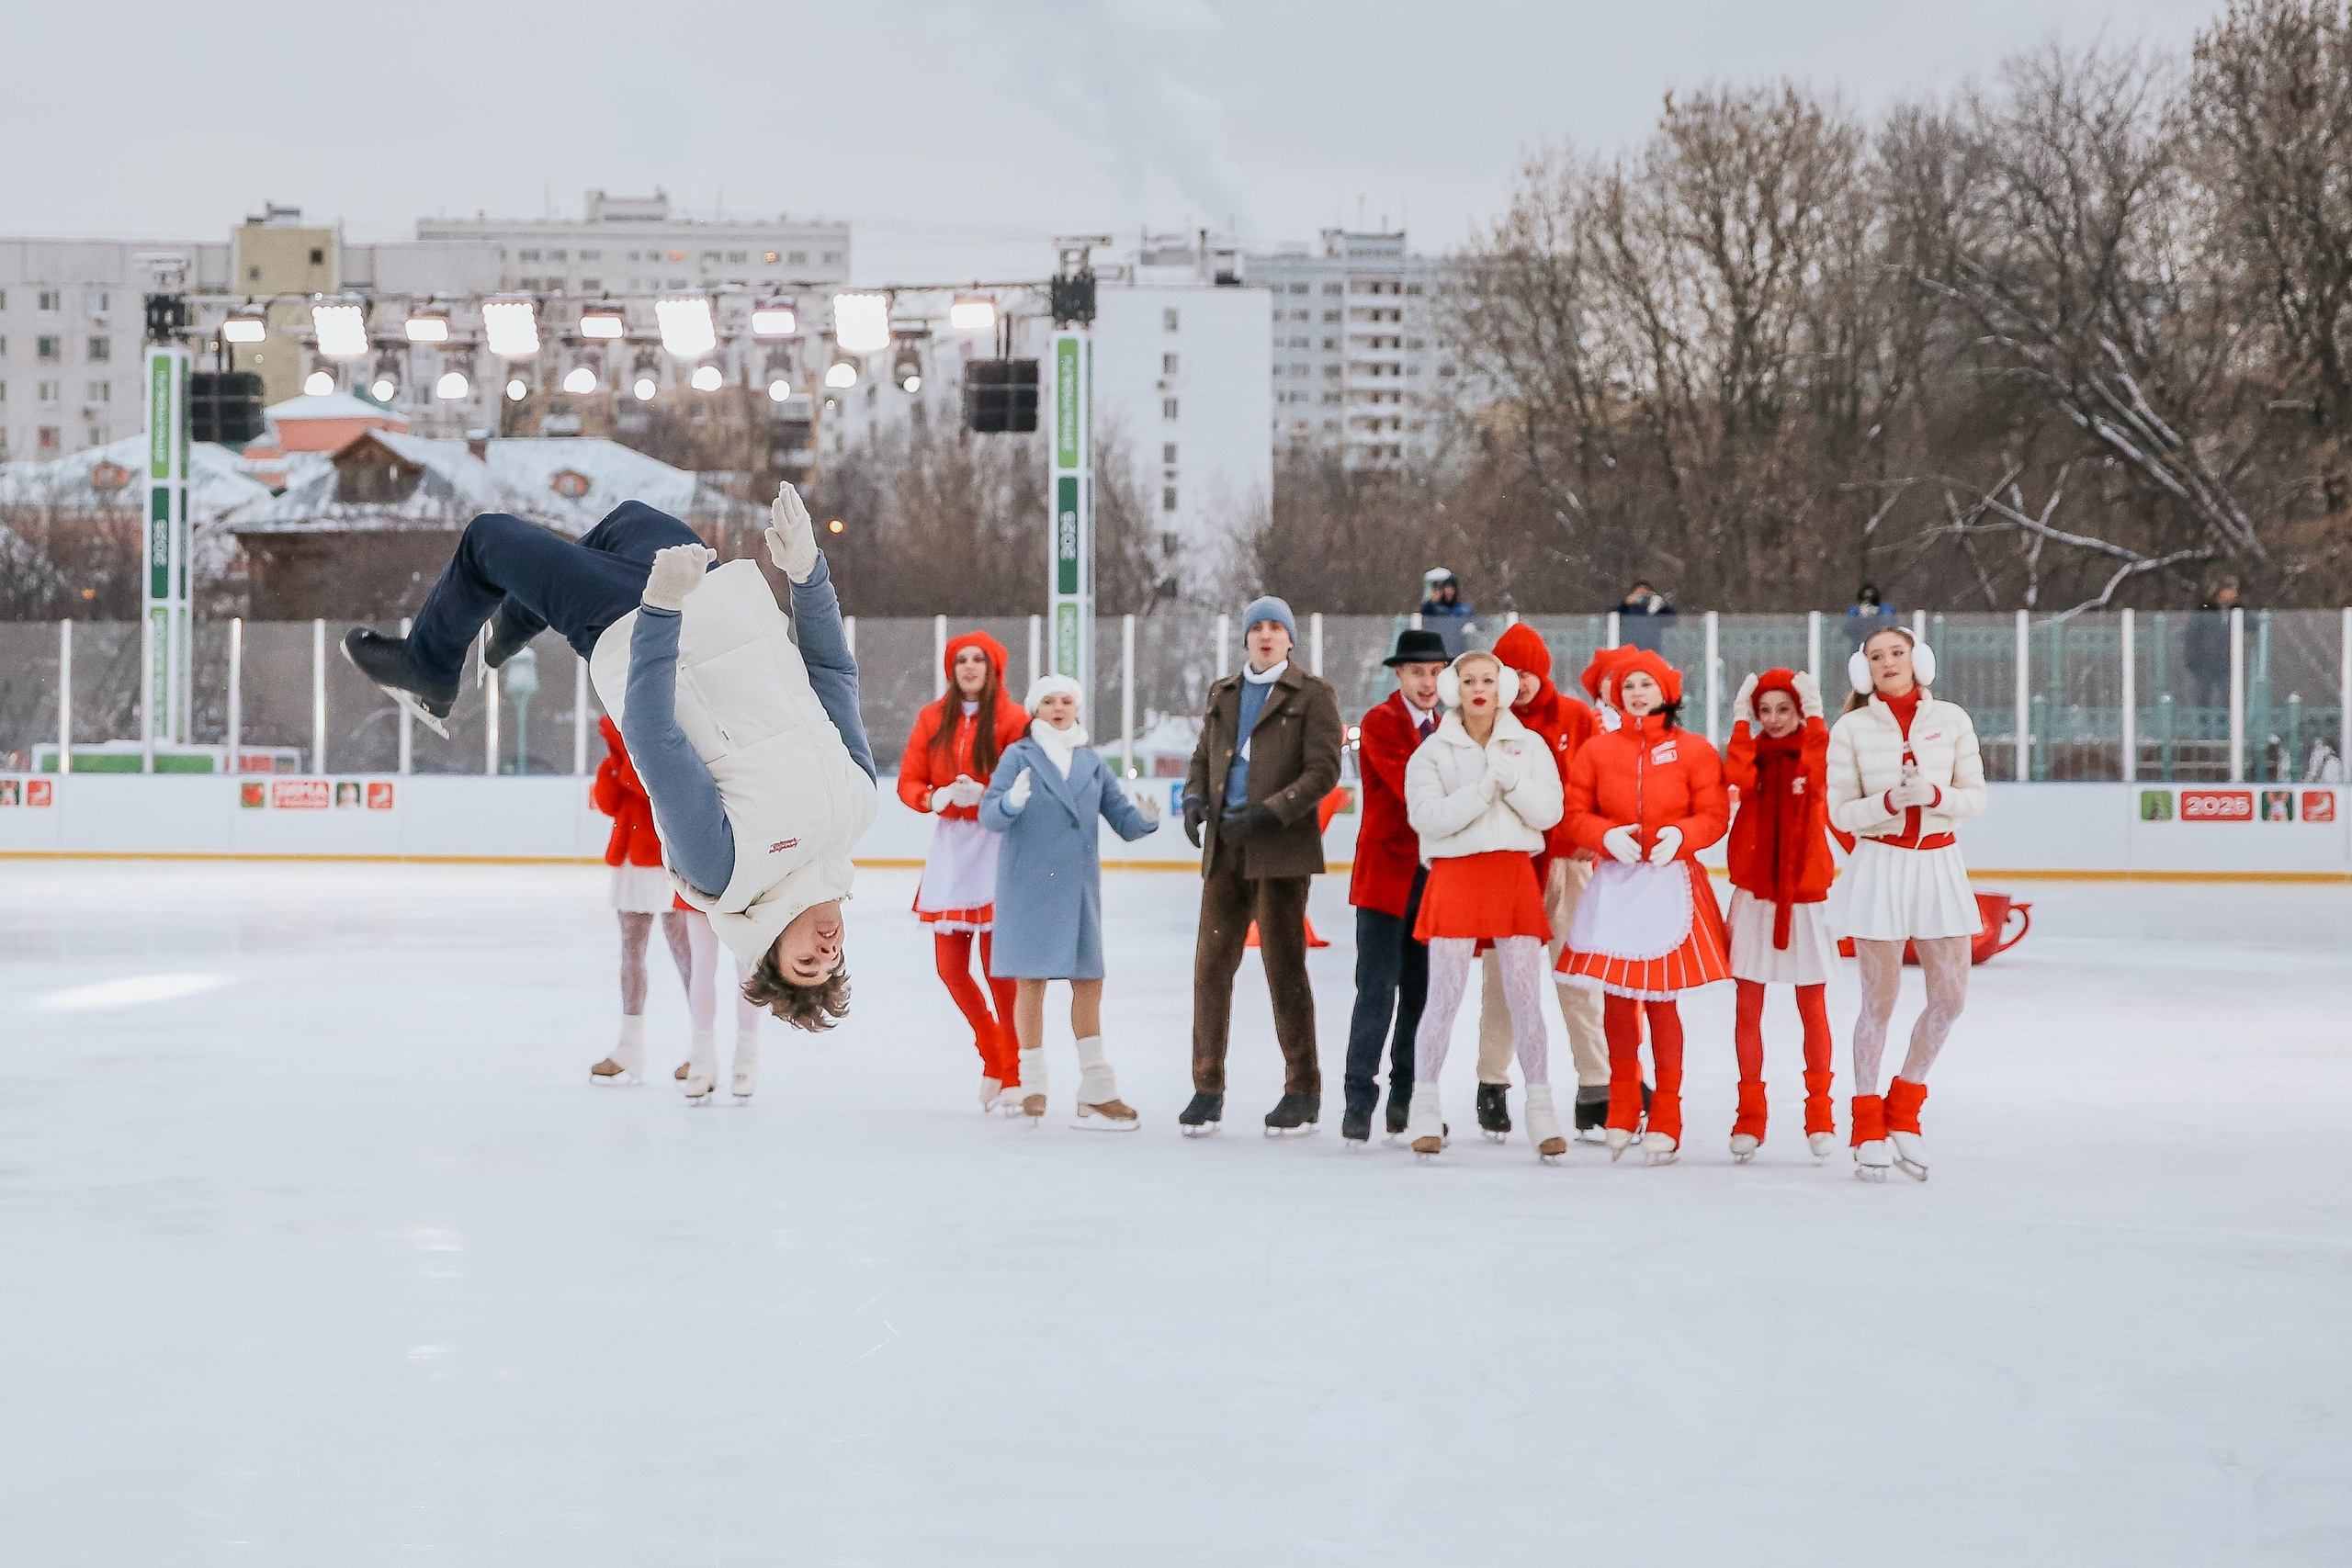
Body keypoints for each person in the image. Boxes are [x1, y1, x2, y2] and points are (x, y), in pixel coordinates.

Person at [342, 484, 876, 1031]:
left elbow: (652, 735)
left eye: (807, 962)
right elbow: (834, 675)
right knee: (629, 521)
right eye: (832, 960)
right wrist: (809, 576)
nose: (827, 948)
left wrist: (661, 609)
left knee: (489, 539)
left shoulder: (725, 873)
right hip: (721, 597)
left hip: (643, 627)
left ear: (766, 947)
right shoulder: (856, 813)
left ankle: (428, 664)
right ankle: (516, 625)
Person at [1555, 648, 1731, 1165]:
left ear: (1665, 693)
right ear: (1615, 696)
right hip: (1616, 884)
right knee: (1615, 1001)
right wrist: (1606, 836)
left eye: (1645, 685)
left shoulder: (1694, 749)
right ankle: (1623, 1105)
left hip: (1668, 884)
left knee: (1661, 1002)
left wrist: (1683, 834)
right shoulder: (1596, 751)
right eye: (1627, 686)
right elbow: (1574, 813)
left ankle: (1669, 1113)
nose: (1636, 694)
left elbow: (1714, 813)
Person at [1179, 595, 1344, 1135]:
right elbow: (1204, 756)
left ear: (1291, 639)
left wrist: (1273, 815)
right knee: (1211, 967)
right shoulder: (1224, 694)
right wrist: (1193, 800)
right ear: (1246, 638)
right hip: (1226, 846)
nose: (1266, 636)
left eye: (1276, 628)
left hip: (1279, 850)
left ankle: (1302, 1088)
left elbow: (1323, 770)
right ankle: (1206, 1087)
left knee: (1284, 968)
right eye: (1258, 628)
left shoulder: (1313, 695)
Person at [1827, 626, 1988, 1181]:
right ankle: (1867, 1120)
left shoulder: (1953, 719)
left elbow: (1976, 797)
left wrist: (1937, 796)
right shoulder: (1850, 728)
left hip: (1939, 865)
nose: (1888, 662)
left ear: (1918, 660)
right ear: (1863, 669)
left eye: (1897, 653)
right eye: (1876, 656)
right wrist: (1889, 801)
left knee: (1951, 998)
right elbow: (1841, 813)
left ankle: (1905, 1107)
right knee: (1880, 999)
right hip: (1881, 866)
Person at [1400, 649, 1566, 1160]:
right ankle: (1424, 1107)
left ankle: (1541, 1110)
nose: (1479, 688)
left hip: (1511, 875)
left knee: (1524, 998)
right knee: (1443, 999)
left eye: (1488, 680)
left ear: (1503, 687)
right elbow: (1427, 817)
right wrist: (1484, 788)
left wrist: (1512, 782)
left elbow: (1549, 811)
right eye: (1469, 679)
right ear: (1454, 687)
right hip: (1454, 877)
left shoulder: (1530, 745)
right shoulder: (1432, 752)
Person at [978, 675, 1161, 1128]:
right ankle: (1034, 1084)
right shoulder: (1017, 757)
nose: (1058, 707)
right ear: (1034, 709)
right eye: (1048, 701)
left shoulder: (1091, 762)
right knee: (1031, 983)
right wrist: (1010, 804)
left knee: (1088, 983)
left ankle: (1097, 1088)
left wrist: (1147, 821)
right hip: (1028, 885)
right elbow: (989, 815)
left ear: (1077, 707)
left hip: (1077, 888)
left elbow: (1122, 819)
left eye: (1066, 700)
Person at [1470, 623, 1609, 1142]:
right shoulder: (1485, 721)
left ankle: (1595, 1085)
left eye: (1528, 672)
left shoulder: (1575, 717)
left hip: (1567, 864)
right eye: (1510, 672)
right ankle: (1492, 1083)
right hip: (1507, 866)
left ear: (1543, 672)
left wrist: (1588, 838)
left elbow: (1594, 783)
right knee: (1502, 979)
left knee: (1575, 973)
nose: (1521, 683)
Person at [898, 630, 1031, 1111]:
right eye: (961, 661)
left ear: (995, 668)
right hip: (952, 850)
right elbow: (909, 780)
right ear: (951, 670)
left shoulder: (1015, 720)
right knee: (951, 968)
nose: (970, 668)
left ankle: (1013, 1070)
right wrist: (933, 797)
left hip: (998, 846)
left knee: (1000, 971)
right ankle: (992, 1054)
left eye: (979, 660)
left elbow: (1027, 778)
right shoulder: (932, 718)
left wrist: (990, 794)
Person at [1722, 668, 1838, 1161]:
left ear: (1799, 711)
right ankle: (1750, 1116)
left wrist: (1814, 717)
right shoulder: (1752, 754)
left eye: (1783, 710)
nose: (1773, 720)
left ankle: (1820, 1116)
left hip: (1805, 895)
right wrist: (1741, 727)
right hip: (1755, 895)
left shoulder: (1814, 753)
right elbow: (1738, 780)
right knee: (1748, 1008)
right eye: (1764, 711)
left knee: (1813, 1009)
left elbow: (1817, 770)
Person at [1340, 626, 1449, 1144]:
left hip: (1433, 880)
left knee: (1421, 995)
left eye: (1434, 673)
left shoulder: (1451, 726)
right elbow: (1413, 788)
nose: (1428, 683)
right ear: (1399, 675)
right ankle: (1359, 1097)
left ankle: (1405, 1095)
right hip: (1385, 878)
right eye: (1417, 673)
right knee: (1377, 991)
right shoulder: (1381, 722)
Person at [585, 715, 695, 1086]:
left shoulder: (662, 735)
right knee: (631, 953)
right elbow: (609, 801)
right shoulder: (618, 754)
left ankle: (702, 1044)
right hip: (632, 857)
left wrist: (622, 760)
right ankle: (629, 1045)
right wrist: (613, 766)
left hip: (666, 858)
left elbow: (652, 786)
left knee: (686, 955)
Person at [2184, 579, 2239, 716]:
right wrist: (2192, 661)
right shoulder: (2204, 610)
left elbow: (2252, 625)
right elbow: (2192, 636)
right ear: (2221, 591)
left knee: (2228, 699)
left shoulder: (2234, 610)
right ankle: (2205, 733)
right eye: (2231, 590)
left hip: (2225, 664)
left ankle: (2225, 729)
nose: (2235, 594)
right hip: (2205, 664)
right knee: (2204, 698)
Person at [1419, 569, 1479, 659]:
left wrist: (1471, 626)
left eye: (1452, 589)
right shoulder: (1434, 608)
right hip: (1438, 651)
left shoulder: (1463, 609)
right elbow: (1425, 615)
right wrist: (1432, 603)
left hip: (1458, 651)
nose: (1449, 592)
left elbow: (1477, 623)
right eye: (1447, 588)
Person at [1615, 581, 1676, 653]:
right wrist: (1625, 604)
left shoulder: (1655, 608)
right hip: (1629, 648)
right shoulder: (1626, 608)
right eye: (1639, 593)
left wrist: (1661, 605)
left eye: (1645, 593)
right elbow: (1611, 619)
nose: (1641, 596)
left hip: (1651, 648)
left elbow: (1672, 620)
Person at [1844, 583, 1898, 654]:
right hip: (1859, 644)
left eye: (1871, 593)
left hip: (1881, 643)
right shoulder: (1854, 611)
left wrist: (1877, 615)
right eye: (1865, 594)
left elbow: (1892, 627)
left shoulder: (1887, 610)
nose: (1868, 596)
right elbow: (1848, 630)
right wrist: (1860, 617)